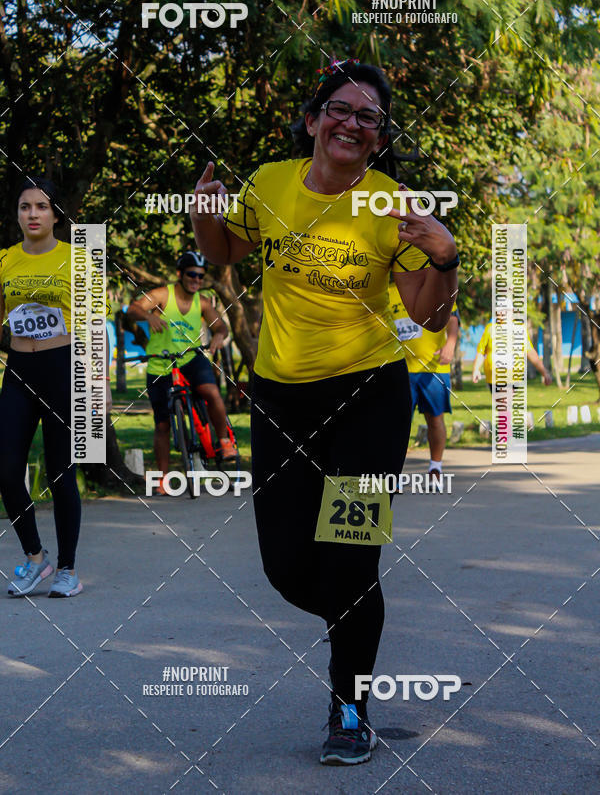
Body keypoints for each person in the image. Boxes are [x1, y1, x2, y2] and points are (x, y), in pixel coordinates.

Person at [190, 59, 459, 765]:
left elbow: (424, 317)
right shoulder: (269, 184)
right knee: (286, 568)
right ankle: (356, 617)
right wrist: (202, 218)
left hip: (369, 397)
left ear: (376, 139)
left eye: (368, 118)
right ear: (313, 120)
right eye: (340, 109)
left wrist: (447, 259)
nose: (351, 123)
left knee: (349, 558)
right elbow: (224, 254)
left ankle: (350, 709)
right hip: (280, 397)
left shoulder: (391, 204)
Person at [0, 177, 111, 598]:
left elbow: (95, 327)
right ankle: (35, 558)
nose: (32, 214)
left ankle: (68, 570)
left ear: (55, 215)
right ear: (17, 214)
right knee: (6, 467)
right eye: (25, 207)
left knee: (62, 473)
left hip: (65, 369)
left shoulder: (79, 259)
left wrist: (96, 386)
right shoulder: (5, 260)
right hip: (19, 369)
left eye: (41, 207)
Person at [127, 251, 238, 495]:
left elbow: (220, 326)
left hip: (190, 358)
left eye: (200, 276)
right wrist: (147, 316)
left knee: (211, 393)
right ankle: (164, 481)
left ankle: (224, 442)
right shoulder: (162, 294)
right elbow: (132, 309)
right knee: (162, 425)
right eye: (191, 274)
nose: (196, 280)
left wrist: (219, 335)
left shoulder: (203, 302)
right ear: (180, 274)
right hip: (161, 364)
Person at [388, 278, 459, 482]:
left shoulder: (437, 288)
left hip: (433, 367)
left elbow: (452, 319)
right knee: (399, 423)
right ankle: (394, 474)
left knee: (435, 419)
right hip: (400, 368)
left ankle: (435, 468)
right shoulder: (389, 291)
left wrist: (450, 345)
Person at [472, 318, 552, 388]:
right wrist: (476, 369)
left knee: (504, 403)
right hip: (493, 377)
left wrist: (544, 372)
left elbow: (530, 352)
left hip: (513, 376)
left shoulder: (519, 329)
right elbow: (481, 352)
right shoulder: (490, 328)